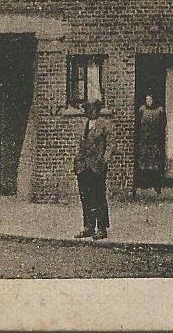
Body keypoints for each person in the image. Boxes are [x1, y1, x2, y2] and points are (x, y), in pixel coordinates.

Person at [74, 99, 115, 240]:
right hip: (83, 167)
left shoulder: (104, 125)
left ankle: (101, 228)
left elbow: (110, 145)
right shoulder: (85, 125)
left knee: (99, 197)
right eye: (87, 109)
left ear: (97, 110)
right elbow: (81, 146)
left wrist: (103, 160)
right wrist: (78, 161)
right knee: (85, 197)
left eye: (92, 109)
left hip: (96, 167)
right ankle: (88, 227)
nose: (90, 112)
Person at [135, 94, 166, 196]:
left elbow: (163, 123)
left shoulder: (159, 110)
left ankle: (156, 184)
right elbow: (138, 123)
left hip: (155, 141)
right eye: (147, 100)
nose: (149, 102)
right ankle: (144, 183)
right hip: (144, 140)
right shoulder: (142, 110)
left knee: (155, 163)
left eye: (150, 100)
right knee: (144, 162)